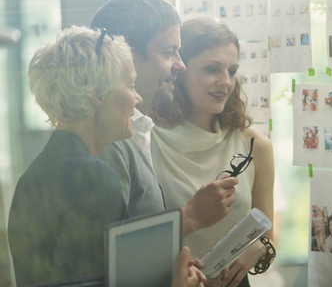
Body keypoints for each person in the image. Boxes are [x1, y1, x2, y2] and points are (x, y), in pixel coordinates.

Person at [8, 26, 205, 287]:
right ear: (97, 94)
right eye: (131, 85)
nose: (137, 98)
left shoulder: (36, 173)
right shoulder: (92, 177)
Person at [91, 0, 238, 238]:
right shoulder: (108, 138)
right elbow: (107, 252)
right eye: (169, 52)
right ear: (126, 54)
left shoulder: (138, 127)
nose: (180, 65)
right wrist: (191, 216)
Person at [150, 18, 275, 287]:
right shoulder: (148, 139)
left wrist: (258, 247)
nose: (225, 82)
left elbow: (268, 235)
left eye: (231, 71)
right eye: (211, 69)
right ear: (180, 70)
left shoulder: (256, 146)